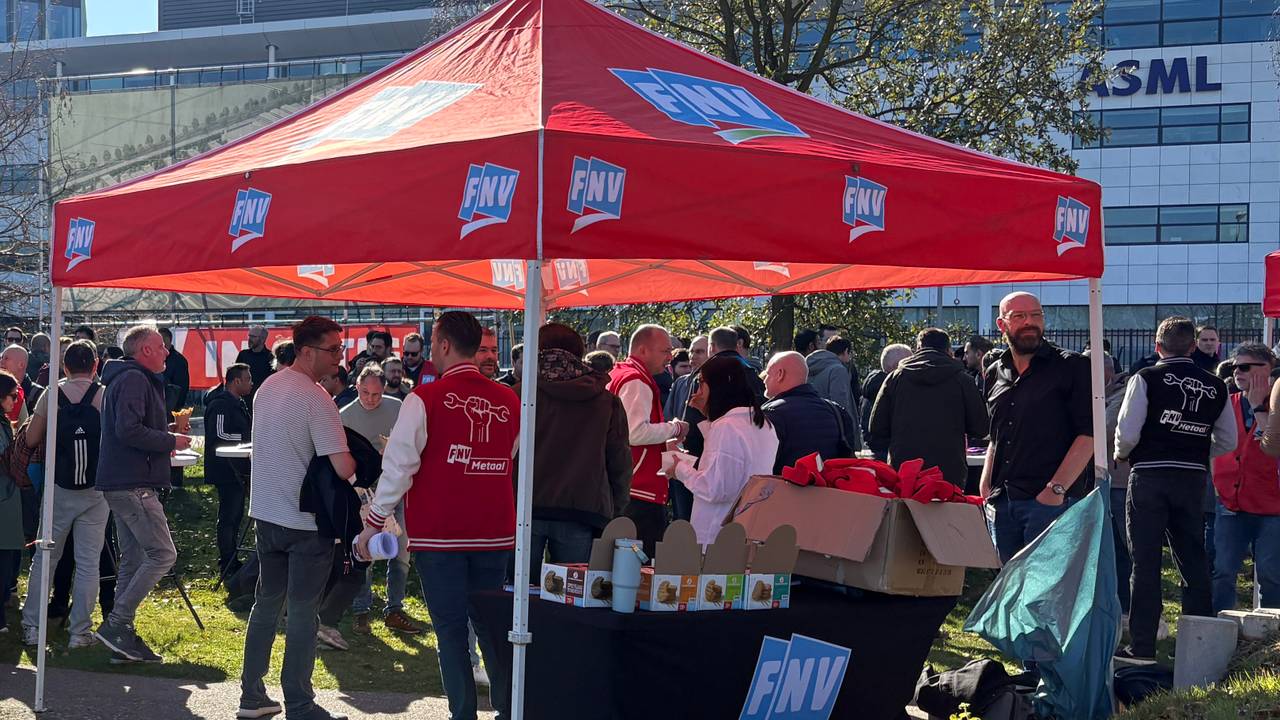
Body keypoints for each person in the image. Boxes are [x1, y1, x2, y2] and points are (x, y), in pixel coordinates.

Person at [354, 311, 518, 720]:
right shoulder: (510, 399)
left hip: (441, 533)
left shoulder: (423, 399)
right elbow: (509, 456)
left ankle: (462, 713)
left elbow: (398, 468)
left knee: (450, 630)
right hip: (493, 531)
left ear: (443, 345)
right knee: (490, 626)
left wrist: (372, 523)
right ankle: (507, 708)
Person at [240, 316, 355, 720]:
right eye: (334, 349)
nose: (341, 358)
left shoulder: (267, 387)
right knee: (304, 614)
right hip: (305, 523)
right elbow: (343, 468)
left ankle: (251, 696)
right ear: (308, 351)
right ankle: (300, 703)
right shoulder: (317, 399)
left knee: (266, 605)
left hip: (267, 514)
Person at [1115, 316, 1235, 663]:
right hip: (1192, 478)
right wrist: (1194, 450)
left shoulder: (1147, 377)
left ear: (1157, 346)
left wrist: (1122, 453)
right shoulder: (1216, 386)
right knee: (1193, 559)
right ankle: (1200, 645)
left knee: (1145, 561)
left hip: (1149, 476)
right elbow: (1228, 440)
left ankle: (1142, 646)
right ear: (1194, 346)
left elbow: (1128, 430)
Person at [93, 325, 192, 663]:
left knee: (133, 560)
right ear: (145, 350)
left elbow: (130, 428)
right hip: (132, 484)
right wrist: (169, 441)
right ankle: (117, 624)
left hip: (123, 482)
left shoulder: (126, 378)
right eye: (162, 347)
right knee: (163, 555)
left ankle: (121, 643)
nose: (167, 353)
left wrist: (166, 435)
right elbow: (128, 430)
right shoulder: (134, 379)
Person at [982, 292, 1093, 564]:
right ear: (1002, 324)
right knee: (1007, 590)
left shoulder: (1073, 366)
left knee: (1046, 594)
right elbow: (996, 436)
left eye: (1036, 315)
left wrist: (1055, 490)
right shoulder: (995, 372)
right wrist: (986, 486)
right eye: (1019, 316)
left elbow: (1089, 435)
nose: (1029, 322)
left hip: (1050, 502)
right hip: (1003, 501)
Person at [515, 323, 631, 580]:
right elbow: (619, 460)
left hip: (525, 508)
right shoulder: (606, 401)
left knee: (518, 598)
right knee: (571, 599)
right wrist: (616, 508)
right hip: (581, 508)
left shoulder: (518, 396)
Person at [18, 341, 109, 649]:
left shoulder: (51, 394)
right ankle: (80, 632)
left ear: (65, 366)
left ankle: (32, 627)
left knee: (45, 559)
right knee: (88, 563)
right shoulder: (103, 395)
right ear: (95, 365)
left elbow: (31, 438)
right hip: (96, 489)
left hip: (59, 487)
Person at [337, 365, 423, 638]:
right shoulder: (345, 415)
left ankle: (394, 609)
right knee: (367, 550)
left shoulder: (397, 408)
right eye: (365, 393)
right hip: (364, 491)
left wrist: (391, 450)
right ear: (357, 387)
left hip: (396, 487)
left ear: (384, 389)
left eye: (376, 393)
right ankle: (362, 610)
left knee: (400, 551)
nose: (371, 398)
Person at [669, 355, 778, 546]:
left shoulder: (727, 427)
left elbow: (715, 488)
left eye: (702, 383)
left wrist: (679, 468)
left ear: (717, 386)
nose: (698, 391)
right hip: (747, 529)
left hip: (717, 536)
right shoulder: (761, 423)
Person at [869, 329, 989, 488]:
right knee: (946, 512)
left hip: (904, 469)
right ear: (948, 350)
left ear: (918, 349)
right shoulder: (963, 380)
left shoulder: (896, 378)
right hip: (949, 471)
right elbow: (981, 428)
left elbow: (877, 427)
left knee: (906, 512)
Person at [608, 325, 688, 555]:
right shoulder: (636, 380)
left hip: (623, 484)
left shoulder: (621, 373)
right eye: (665, 351)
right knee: (639, 567)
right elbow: (635, 433)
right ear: (643, 350)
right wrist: (675, 428)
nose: (669, 358)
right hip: (639, 489)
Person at [1217, 344, 1280, 611]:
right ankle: (1218, 624)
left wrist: (1258, 407)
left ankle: (1270, 631)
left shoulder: (1275, 406)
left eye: (1245, 367)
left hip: (1272, 505)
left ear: (1267, 369)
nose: (1237, 372)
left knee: (1270, 573)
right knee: (1222, 571)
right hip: (1231, 500)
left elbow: (1274, 445)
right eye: (1234, 367)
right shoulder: (1227, 403)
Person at [1090, 350, 1133, 618]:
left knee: (1122, 550)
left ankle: (1127, 607)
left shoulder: (1122, 394)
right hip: (1095, 481)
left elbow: (1102, 431)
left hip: (1117, 481)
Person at [762, 351, 854, 473]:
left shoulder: (770, 413)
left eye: (767, 374)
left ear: (780, 374)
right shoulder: (836, 411)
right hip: (827, 488)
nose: (764, 380)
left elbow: (760, 463)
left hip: (783, 489)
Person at [204, 363, 253, 580]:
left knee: (236, 516)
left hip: (238, 468)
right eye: (248, 379)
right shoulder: (220, 405)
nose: (252, 383)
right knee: (228, 517)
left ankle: (232, 559)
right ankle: (227, 562)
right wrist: (248, 441)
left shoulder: (239, 403)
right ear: (236, 382)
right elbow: (219, 435)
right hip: (225, 469)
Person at [0, 370, 22, 634]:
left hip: (7, 498)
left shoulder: (5, 422)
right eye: (12, 396)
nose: (15, 401)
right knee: (3, 559)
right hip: (3, 499)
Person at [159, 327, 191, 488]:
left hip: (174, 409)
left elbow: (182, 388)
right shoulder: (156, 360)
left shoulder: (178, 360)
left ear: (169, 340)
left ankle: (176, 481)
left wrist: (175, 411)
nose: (161, 346)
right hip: (158, 408)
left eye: (162, 341)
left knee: (175, 442)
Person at [861, 344, 911, 444]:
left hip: (877, 448)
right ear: (897, 366)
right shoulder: (892, 391)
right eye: (909, 362)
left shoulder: (872, 388)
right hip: (889, 450)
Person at [806, 336, 856, 419]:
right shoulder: (838, 370)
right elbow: (840, 404)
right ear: (846, 351)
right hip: (832, 424)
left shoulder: (808, 366)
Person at [236, 325, 275, 395]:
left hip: (263, 397)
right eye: (249, 336)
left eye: (253, 336)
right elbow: (235, 376)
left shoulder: (271, 357)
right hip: (245, 398)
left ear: (263, 339)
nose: (250, 339)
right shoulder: (243, 355)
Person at [0, 345, 30, 424]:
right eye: (1, 358)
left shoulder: (19, 393)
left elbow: (23, 429)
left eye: (6, 358)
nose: (1, 362)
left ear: (21, 365)